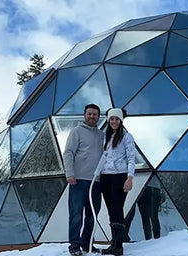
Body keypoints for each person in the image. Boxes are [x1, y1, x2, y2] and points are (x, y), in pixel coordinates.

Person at [63, 104, 104, 256]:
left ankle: (87, 243)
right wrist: (70, 173)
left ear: (99, 117)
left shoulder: (101, 135)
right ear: (84, 115)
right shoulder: (76, 132)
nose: (92, 117)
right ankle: (74, 246)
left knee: (92, 215)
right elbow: (68, 153)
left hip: (96, 182)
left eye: (95, 114)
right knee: (76, 214)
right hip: (78, 180)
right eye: (89, 114)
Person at [96, 108, 135, 256]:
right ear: (108, 120)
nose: (114, 122)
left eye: (116, 119)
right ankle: (114, 242)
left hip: (120, 176)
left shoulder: (127, 137)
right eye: (111, 119)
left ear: (121, 120)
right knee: (111, 210)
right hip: (106, 176)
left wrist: (129, 178)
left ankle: (118, 246)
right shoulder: (106, 136)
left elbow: (131, 158)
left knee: (117, 208)